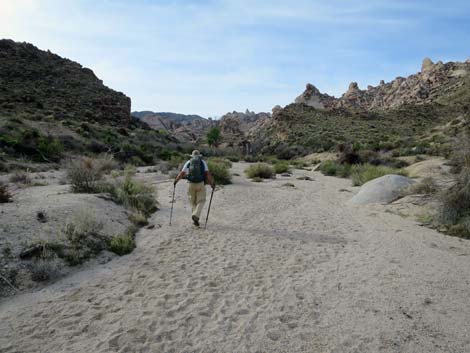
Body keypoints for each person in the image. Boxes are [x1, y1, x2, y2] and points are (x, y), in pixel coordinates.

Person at [174, 150, 215, 227]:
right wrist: (211, 183)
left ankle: (195, 219)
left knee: (193, 202)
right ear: (199, 156)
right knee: (201, 200)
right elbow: (207, 174)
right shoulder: (203, 162)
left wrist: (176, 181)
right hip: (200, 184)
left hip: (190, 184)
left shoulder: (189, 162)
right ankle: (196, 215)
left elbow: (182, 173)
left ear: (192, 156)